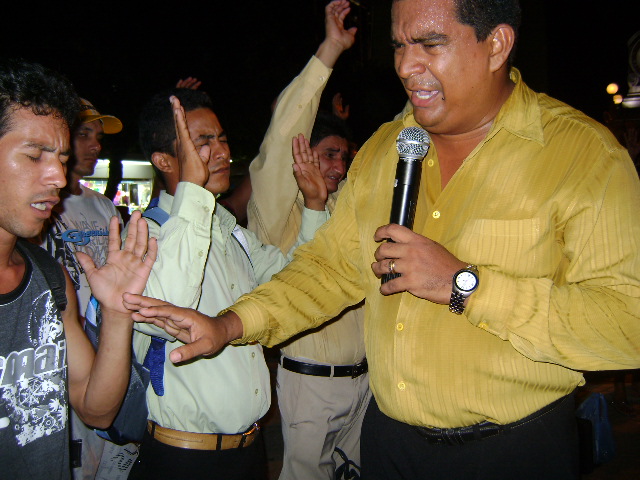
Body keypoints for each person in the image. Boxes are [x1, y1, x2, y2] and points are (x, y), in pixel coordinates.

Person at [127, 0, 640, 479]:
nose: (406, 66)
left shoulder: (582, 156)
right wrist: (230, 324)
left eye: (430, 44)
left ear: (497, 45)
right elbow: (328, 269)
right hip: (389, 443)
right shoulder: (384, 151)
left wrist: (464, 285)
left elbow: (627, 324)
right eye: (399, 45)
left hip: (514, 450)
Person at [128, 88, 329, 480]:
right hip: (185, 460)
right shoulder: (144, 235)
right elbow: (164, 311)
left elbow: (296, 281)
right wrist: (192, 189)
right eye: (202, 142)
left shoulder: (230, 232)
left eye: (221, 138)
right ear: (164, 160)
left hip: (247, 452)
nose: (222, 151)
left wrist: (315, 207)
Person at [0, 58, 157, 479]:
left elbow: (96, 409)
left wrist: (118, 313)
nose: (57, 175)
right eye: (35, 155)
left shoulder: (50, 280)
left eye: (61, 157)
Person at [246, 2, 369, 478]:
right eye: (329, 154)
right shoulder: (278, 209)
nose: (339, 166)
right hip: (313, 387)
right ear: (303, 153)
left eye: (344, 156)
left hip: (364, 385)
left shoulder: (343, 207)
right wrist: (330, 50)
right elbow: (283, 137)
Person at [38, 99, 141, 479]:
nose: (95, 145)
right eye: (84, 134)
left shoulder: (104, 207)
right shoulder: (39, 207)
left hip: (106, 345)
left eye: (98, 137)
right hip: (60, 356)